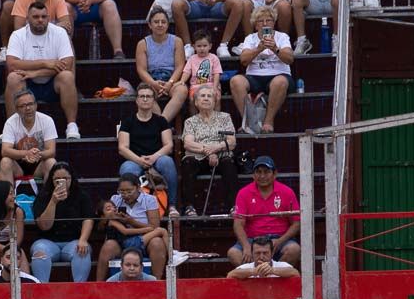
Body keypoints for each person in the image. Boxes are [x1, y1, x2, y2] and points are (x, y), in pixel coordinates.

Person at [5, 1, 80, 140]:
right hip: (27, 84)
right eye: (36, 17)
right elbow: (12, 64)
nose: (40, 20)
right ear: (27, 18)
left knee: (67, 76)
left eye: (44, 17)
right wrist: (46, 63)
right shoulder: (18, 35)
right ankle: (12, 127)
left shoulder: (59, 33)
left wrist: (37, 72)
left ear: (49, 18)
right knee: (13, 78)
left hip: (52, 83)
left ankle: (72, 125)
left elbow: (68, 64)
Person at [229, 4, 294, 133]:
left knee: (279, 82)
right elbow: (244, 61)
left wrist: (275, 48)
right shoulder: (250, 38)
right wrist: (259, 49)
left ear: (274, 23)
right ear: (256, 24)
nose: (265, 23)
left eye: (268, 20)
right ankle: (248, 122)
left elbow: (289, 59)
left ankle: (268, 121)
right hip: (255, 76)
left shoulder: (282, 37)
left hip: (279, 74)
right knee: (236, 81)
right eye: (260, 21)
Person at [228, 155, 300, 268]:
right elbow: (238, 224)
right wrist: (246, 246)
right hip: (253, 239)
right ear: (253, 174)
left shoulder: (287, 192)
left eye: (266, 172)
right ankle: (255, 278)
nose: (262, 176)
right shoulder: (244, 193)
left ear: (275, 174)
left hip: (279, 238)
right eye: (258, 172)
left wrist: (280, 240)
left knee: (294, 250)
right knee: (233, 254)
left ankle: (274, 277)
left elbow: (296, 223)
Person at [29, 161, 94, 282]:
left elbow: (88, 219)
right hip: (47, 241)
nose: (61, 181)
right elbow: (44, 226)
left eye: (65, 178)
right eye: (57, 179)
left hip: (73, 241)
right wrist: (53, 201)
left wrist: (83, 239)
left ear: (71, 179)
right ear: (52, 180)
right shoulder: (43, 196)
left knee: (82, 252)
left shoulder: (82, 195)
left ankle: (79, 291)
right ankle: (41, 291)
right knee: (39, 253)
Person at [180, 84, 238, 216]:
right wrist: (208, 152)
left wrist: (216, 149)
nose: (206, 98)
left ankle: (234, 206)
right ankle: (189, 207)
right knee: (188, 163)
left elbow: (232, 142)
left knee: (229, 163)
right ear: (196, 102)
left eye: (209, 96)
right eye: (202, 96)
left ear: (214, 100)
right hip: (198, 158)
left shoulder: (224, 117)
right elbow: (188, 144)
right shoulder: (190, 121)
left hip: (221, 157)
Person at [96, 175, 168, 281]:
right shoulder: (115, 199)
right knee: (108, 245)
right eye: (122, 191)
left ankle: (155, 282)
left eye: (129, 191)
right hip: (123, 239)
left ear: (138, 187)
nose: (125, 195)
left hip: (146, 239)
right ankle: (98, 285)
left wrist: (132, 222)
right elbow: (106, 221)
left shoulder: (149, 200)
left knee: (157, 242)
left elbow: (154, 226)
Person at [117, 84, 177, 197]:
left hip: (157, 158)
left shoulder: (161, 121)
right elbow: (122, 148)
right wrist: (140, 160)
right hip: (135, 160)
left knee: (167, 162)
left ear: (153, 100)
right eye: (142, 96)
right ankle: (130, 208)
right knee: (126, 168)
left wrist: (153, 157)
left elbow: (169, 145)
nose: (145, 99)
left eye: (148, 96)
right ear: (137, 100)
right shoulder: (128, 121)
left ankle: (172, 205)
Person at [135, 9, 187, 123]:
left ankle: (161, 124)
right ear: (150, 24)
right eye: (156, 22)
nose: (160, 25)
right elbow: (141, 69)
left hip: (172, 78)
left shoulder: (177, 41)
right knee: (145, 92)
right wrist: (153, 83)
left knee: (182, 90)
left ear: (168, 24)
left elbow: (180, 66)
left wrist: (170, 83)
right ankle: (163, 126)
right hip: (152, 78)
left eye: (163, 22)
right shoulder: (143, 43)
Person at [0, 88, 56, 184]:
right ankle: (9, 197)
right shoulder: (10, 122)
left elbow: (51, 151)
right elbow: (5, 151)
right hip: (19, 167)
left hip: (39, 166)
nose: (28, 108)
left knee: (51, 162)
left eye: (30, 104)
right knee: (5, 161)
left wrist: (37, 155)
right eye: (23, 106)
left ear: (36, 105)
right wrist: (26, 153)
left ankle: (48, 198)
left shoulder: (47, 120)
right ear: (16, 109)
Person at [178, 29, 223, 100]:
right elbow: (187, 72)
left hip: (211, 85)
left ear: (210, 46)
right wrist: (182, 81)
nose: (202, 48)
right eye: (199, 46)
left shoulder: (214, 58)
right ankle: (195, 111)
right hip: (196, 86)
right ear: (194, 47)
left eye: (205, 46)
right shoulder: (191, 59)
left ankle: (216, 111)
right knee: (192, 99)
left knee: (216, 98)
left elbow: (217, 73)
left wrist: (215, 86)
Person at [227, 234, 298, 279]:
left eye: (265, 253)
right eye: (257, 253)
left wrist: (272, 270)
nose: (261, 257)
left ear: (272, 253)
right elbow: (230, 275)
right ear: (251, 253)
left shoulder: (282, 265)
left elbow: (295, 273)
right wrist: (254, 271)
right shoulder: (244, 268)